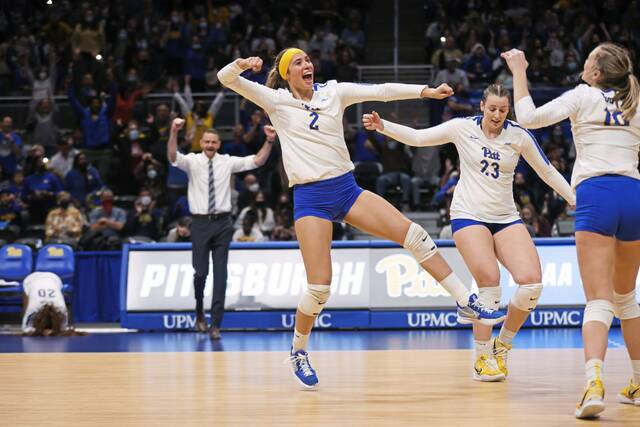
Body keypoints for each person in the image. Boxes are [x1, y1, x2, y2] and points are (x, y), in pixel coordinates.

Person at [217, 48, 505, 389]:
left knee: (414, 234)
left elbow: (380, 90)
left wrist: (425, 91)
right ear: (286, 74)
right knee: (319, 287)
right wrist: (244, 65)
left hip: (345, 189)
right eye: (298, 62)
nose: (307, 64)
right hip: (311, 199)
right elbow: (225, 78)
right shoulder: (275, 100)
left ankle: (465, 301)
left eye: (309, 59)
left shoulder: (333, 92)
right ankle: (298, 350)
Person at [363, 83, 575, 383]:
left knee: (531, 285)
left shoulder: (518, 136)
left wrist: (574, 198)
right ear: (482, 107)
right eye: (492, 109)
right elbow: (420, 138)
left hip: (505, 217)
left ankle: (503, 344)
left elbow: (548, 171)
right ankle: (481, 357)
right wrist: (384, 126)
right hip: (468, 214)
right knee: (489, 281)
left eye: (503, 110)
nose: (497, 114)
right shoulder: (463, 128)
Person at [501, 43, 640, 419]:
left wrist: (519, 71)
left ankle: (594, 383)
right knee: (626, 298)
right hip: (633, 193)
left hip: (597, 193)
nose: (584, 62)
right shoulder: (635, 99)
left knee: (598, 300)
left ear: (596, 74)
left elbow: (527, 117)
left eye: (590, 59)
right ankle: (639, 381)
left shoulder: (583, 95)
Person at [167, 118, 274, 340]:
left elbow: (257, 161)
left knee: (221, 274)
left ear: (219, 144)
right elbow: (172, 157)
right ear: (202, 143)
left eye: (214, 142)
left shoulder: (227, 162)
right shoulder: (193, 161)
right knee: (200, 273)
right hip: (199, 222)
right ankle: (199, 312)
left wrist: (269, 140)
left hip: (223, 222)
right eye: (206, 141)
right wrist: (174, 132)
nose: (210, 145)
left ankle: (216, 324)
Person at [22, 271, 73, 336]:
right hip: (31, 280)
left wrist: (50, 331)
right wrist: (42, 331)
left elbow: (64, 328)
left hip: (54, 279)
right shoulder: (33, 308)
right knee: (26, 310)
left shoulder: (61, 308)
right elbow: (25, 329)